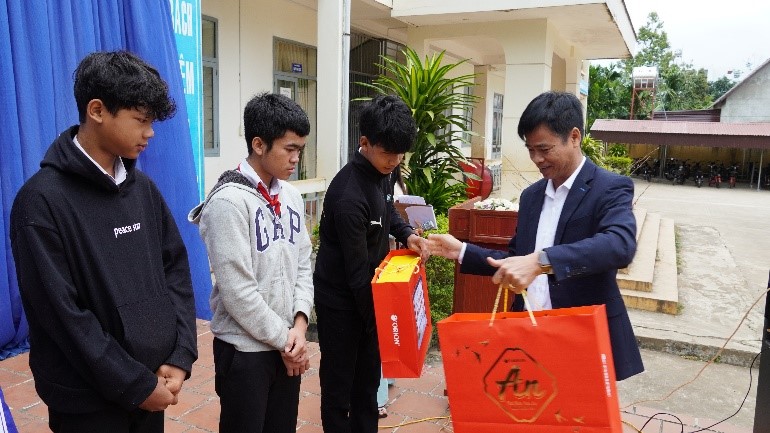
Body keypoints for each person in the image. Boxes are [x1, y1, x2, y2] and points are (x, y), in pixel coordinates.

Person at [9, 51, 197, 432]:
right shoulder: (40, 202)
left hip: (154, 387)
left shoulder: (143, 190)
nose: (150, 133)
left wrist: (180, 355)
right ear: (96, 110)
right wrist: (135, 385)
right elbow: (63, 317)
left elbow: (175, 270)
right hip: (87, 404)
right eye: (141, 120)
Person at [428, 91, 644, 381]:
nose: (536, 159)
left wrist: (542, 261)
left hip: (582, 337)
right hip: (529, 333)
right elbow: (517, 260)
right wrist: (461, 251)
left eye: (544, 148)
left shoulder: (609, 188)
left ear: (574, 137)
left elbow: (620, 245)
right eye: (530, 149)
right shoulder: (531, 196)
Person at [188, 92, 314, 433]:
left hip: (287, 345)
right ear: (259, 144)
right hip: (245, 352)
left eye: (300, 150)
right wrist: (286, 339)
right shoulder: (228, 202)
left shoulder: (290, 196)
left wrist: (300, 326)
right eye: (289, 149)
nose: (296, 159)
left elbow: (303, 263)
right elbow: (237, 292)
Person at [314, 94, 429, 433]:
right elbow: (355, 274)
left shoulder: (383, 171)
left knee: (367, 382)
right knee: (339, 387)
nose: (395, 161)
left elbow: (387, 208)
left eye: (400, 154)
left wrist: (407, 234)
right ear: (364, 142)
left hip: (369, 292)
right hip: (341, 301)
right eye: (388, 153)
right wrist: (382, 321)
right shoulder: (348, 197)